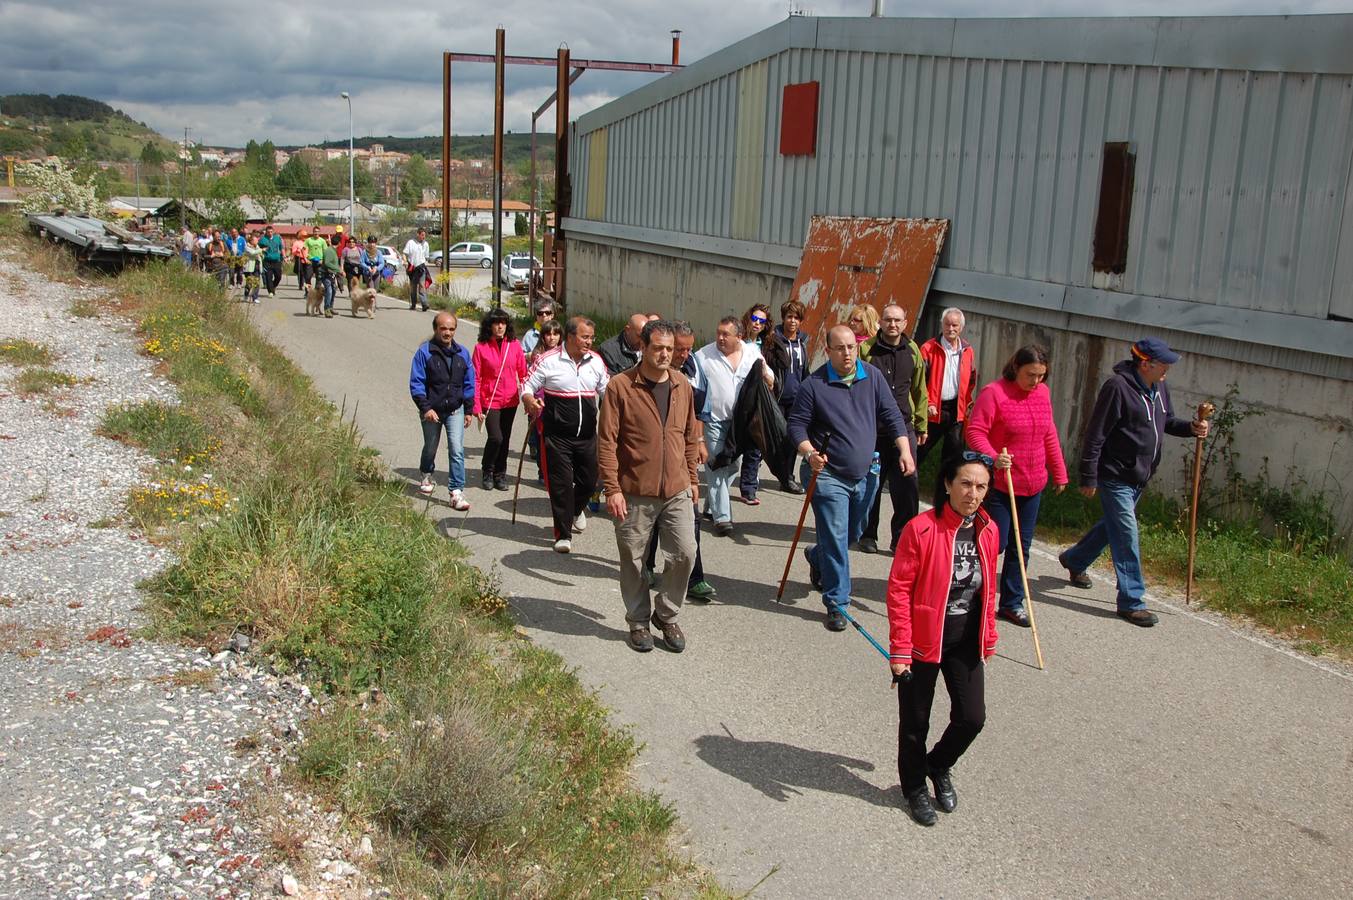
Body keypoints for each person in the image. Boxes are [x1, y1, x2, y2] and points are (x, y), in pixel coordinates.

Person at [1059, 338, 1209, 627]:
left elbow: (1167, 422)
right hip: (1115, 475)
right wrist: (1088, 475)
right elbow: (1095, 434)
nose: (1168, 369)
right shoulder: (1117, 388)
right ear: (1145, 364)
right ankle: (1132, 601)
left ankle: (1076, 560)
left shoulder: (1160, 387)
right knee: (1127, 534)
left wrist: (1191, 428)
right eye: (1163, 363)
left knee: (1112, 527)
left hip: (1140, 475)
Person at [886, 451, 999, 827]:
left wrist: (990, 633)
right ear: (948, 484)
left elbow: (988, 589)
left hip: (965, 639)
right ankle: (914, 787)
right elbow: (899, 590)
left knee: (972, 718)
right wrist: (900, 648)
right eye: (965, 483)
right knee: (915, 722)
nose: (973, 493)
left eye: (981, 486)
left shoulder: (988, 529)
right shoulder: (920, 529)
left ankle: (938, 765)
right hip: (922, 640)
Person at [788, 325, 914, 631]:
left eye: (851, 347)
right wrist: (809, 454)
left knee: (852, 535)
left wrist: (904, 449)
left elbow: (892, 415)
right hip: (827, 473)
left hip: (866, 471)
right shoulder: (814, 385)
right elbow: (796, 426)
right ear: (828, 350)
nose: (847, 354)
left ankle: (818, 556)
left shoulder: (871, 376)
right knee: (836, 537)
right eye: (840, 348)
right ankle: (837, 602)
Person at [598, 319, 701, 654]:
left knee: (686, 552)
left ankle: (666, 614)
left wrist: (693, 480)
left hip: (677, 488)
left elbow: (689, 437)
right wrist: (612, 488)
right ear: (642, 347)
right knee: (633, 558)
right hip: (633, 490)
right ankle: (639, 621)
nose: (665, 355)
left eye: (670, 349)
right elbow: (607, 442)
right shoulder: (620, 386)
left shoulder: (682, 385)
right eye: (658, 348)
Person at [964, 345, 1068, 627]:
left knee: (1021, 548)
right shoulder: (994, 393)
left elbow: (1048, 432)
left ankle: (1011, 603)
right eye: (1030, 375)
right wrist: (994, 457)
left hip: (1033, 483)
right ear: (1016, 369)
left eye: (1041, 376)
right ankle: (970, 592)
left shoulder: (1042, 394)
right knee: (995, 544)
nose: (1036, 381)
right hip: (1001, 483)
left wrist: (1058, 471)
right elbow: (975, 431)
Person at [521, 316, 610, 553]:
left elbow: (607, 392)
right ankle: (563, 534)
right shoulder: (548, 360)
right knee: (561, 485)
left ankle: (574, 510)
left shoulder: (596, 362)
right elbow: (527, 385)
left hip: (587, 435)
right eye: (585, 337)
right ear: (570, 337)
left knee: (589, 480)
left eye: (591, 337)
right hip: (557, 435)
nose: (589, 342)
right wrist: (529, 399)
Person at [644, 321, 717, 602]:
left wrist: (698, 442)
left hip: (681, 461)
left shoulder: (694, 369)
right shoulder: (650, 373)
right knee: (651, 518)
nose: (684, 354)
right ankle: (647, 566)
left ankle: (694, 577)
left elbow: (699, 411)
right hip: (651, 465)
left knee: (691, 522)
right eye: (680, 349)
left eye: (688, 349)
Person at [692, 316, 773, 537]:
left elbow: (770, 379)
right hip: (714, 421)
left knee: (733, 466)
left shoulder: (752, 354)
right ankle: (723, 518)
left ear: (739, 337)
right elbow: (696, 392)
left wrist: (766, 376)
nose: (720, 337)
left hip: (741, 424)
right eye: (718, 332)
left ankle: (712, 505)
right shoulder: (703, 356)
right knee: (717, 464)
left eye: (725, 334)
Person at [860, 303, 927, 554]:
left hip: (903, 428)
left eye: (897, 320)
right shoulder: (866, 349)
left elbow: (920, 390)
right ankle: (868, 534)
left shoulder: (912, 350)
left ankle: (902, 537)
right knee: (872, 484)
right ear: (881, 323)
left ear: (905, 323)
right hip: (873, 429)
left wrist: (921, 424)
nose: (893, 325)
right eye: (888, 320)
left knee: (907, 485)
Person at [410, 312, 477, 512]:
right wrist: (426, 408)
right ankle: (426, 472)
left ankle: (456, 491)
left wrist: (468, 409)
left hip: (455, 409)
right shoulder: (424, 353)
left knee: (456, 449)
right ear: (435, 329)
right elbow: (416, 383)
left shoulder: (462, 354)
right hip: (432, 410)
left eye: (451, 329)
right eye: (443, 328)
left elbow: (469, 383)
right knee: (431, 446)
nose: (447, 333)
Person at [473, 308, 528, 492]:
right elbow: (476, 378)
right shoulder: (481, 348)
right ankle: (487, 470)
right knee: (495, 437)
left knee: (505, 439)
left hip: (510, 400)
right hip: (490, 400)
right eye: (497, 323)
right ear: (489, 325)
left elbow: (523, 373)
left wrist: (528, 397)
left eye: (503, 322)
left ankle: (500, 474)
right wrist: (476, 406)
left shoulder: (514, 345)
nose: (500, 326)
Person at [918, 307, 978, 468]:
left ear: (961, 328)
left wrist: (967, 402)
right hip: (933, 409)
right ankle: (906, 489)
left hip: (956, 410)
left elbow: (971, 378)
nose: (950, 329)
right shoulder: (928, 348)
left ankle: (945, 492)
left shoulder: (967, 350)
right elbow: (919, 381)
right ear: (942, 325)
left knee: (953, 458)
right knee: (918, 452)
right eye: (947, 324)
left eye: (954, 325)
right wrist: (928, 403)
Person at [762, 299, 809, 495]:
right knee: (771, 438)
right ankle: (752, 478)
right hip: (777, 397)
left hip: (796, 399)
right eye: (789, 317)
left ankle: (787, 478)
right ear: (784, 318)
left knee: (792, 440)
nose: (792, 321)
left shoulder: (802, 343)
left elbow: (804, 371)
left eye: (796, 318)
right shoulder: (773, 340)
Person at [738, 303, 772, 505]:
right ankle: (716, 501)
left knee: (755, 445)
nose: (757, 324)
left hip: (758, 400)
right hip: (738, 399)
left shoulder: (766, 345)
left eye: (762, 321)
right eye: (755, 319)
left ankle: (748, 489)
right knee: (733, 450)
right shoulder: (738, 340)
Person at [525, 318, 564, 481]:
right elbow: (530, 382)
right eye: (548, 334)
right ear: (543, 337)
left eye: (556, 334)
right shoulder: (537, 355)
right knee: (542, 438)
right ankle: (543, 471)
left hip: (559, 402)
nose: (552, 338)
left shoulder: (566, 354)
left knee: (558, 440)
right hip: (540, 403)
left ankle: (556, 471)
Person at [403, 228, 431, 312]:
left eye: (424, 236)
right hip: (412, 268)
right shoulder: (410, 243)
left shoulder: (425, 244)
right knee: (413, 287)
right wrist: (405, 261)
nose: (423, 237)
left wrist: (425, 263)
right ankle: (413, 304)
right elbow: (404, 253)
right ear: (418, 234)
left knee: (422, 286)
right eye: (422, 235)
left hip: (421, 267)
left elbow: (426, 257)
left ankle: (424, 304)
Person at [317, 235, 341, 318]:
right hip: (325, 274)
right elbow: (327, 263)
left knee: (333, 290)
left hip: (331, 274)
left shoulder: (333, 250)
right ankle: (326, 309)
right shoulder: (329, 251)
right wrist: (338, 269)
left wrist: (337, 270)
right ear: (339, 243)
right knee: (329, 290)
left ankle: (330, 307)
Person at [259, 225, 285, 296]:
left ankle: (273, 286)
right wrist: (261, 250)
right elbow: (258, 247)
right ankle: (270, 291)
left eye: (271, 232)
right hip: (267, 261)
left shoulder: (277, 238)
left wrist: (284, 256)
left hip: (277, 260)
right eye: (268, 232)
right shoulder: (263, 239)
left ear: (273, 232)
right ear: (266, 232)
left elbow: (281, 248)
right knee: (268, 277)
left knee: (278, 276)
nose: (270, 233)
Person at [240, 232, 265, 303]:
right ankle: (246, 295)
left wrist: (262, 255)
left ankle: (255, 297)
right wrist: (261, 250)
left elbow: (259, 254)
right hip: (249, 268)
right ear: (251, 241)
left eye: (257, 240)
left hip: (257, 267)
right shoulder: (247, 247)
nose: (257, 241)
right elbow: (253, 253)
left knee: (257, 283)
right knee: (249, 283)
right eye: (256, 240)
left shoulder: (257, 246)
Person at [304, 230, 328, 294]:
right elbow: (304, 249)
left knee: (319, 278)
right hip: (310, 261)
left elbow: (325, 251)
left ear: (319, 232)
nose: (316, 233)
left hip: (319, 261)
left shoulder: (322, 241)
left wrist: (323, 260)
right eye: (315, 231)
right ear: (313, 232)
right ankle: (307, 292)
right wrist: (305, 259)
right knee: (308, 277)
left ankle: (317, 292)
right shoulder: (308, 240)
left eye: (317, 231)